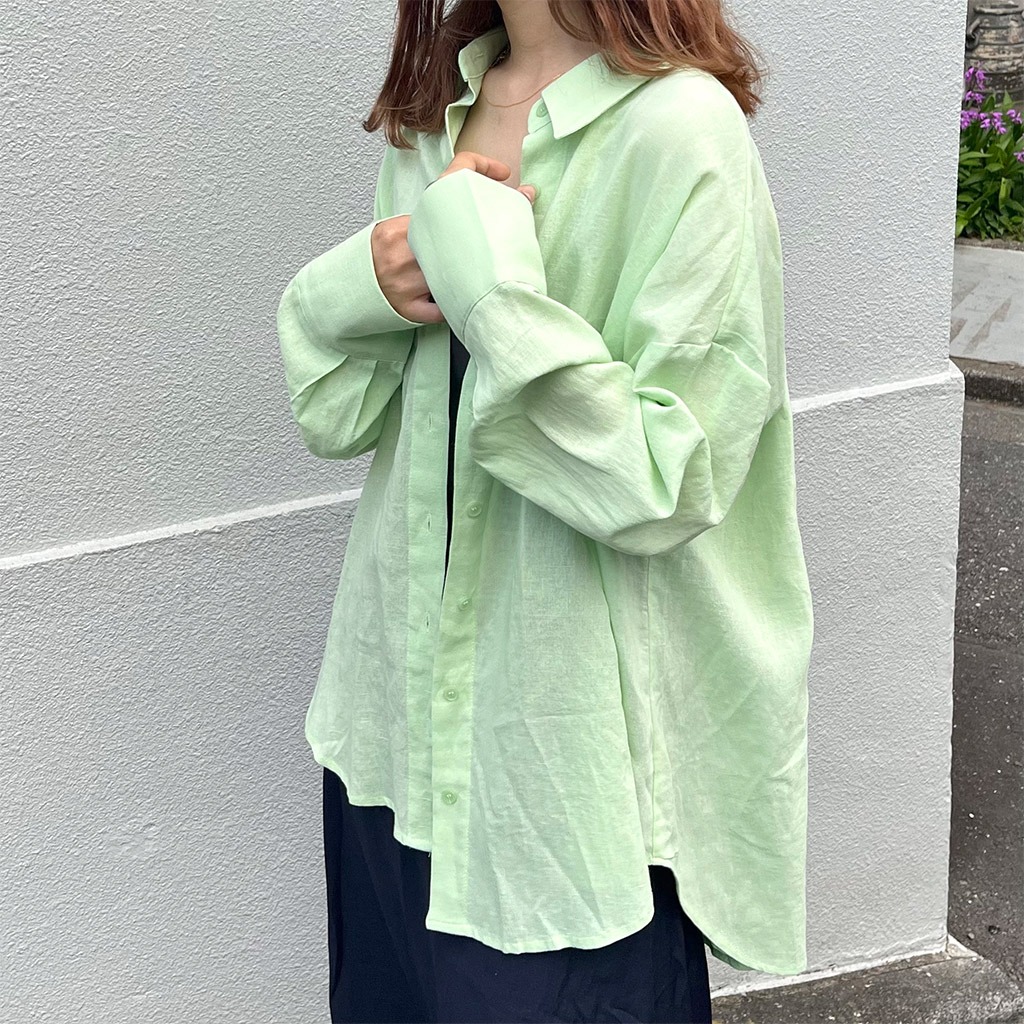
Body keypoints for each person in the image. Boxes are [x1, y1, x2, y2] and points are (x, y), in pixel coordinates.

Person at [276, 0, 815, 1021]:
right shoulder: (434, 116)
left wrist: (493, 296)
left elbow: (671, 476)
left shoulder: (681, 128)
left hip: (558, 776)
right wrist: (362, 285)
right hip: (390, 731)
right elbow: (338, 412)